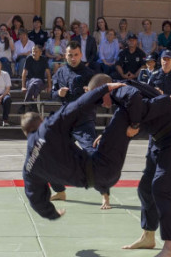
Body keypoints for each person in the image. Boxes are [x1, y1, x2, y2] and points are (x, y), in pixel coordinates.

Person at [20, 80, 141, 220]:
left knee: (126, 122)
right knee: (127, 109)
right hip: (105, 165)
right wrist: (105, 88)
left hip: (97, 180)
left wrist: (52, 214)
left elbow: (35, 198)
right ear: (41, 121)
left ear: (25, 133)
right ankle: (155, 100)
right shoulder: (48, 128)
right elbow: (78, 106)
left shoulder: (28, 167)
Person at [113, 73, 171, 257]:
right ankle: (148, 236)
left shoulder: (122, 91)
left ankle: (170, 247)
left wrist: (133, 125)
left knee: (161, 189)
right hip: (158, 139)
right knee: (145, 188)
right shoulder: (127, 90)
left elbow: (137, 110)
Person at [49, 42, 97, 201]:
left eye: (76, 55)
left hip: (84, 121)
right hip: (66, 120)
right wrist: (59, 94)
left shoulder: (90, 74)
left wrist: (91, 93)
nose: (73, 58)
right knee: (49, 153)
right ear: (65, 55)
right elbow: (52, 94)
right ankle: (59, 191)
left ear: (81, 55)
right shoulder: (60, 72)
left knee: (93, 155)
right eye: (70, 55)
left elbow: (100, 97)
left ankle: (105, 194)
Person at [20, 45, 51, 112]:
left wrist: (49, 86)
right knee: (33, 84)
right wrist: (23, 86)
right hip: (30, 81)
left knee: (36, 81)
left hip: (40, 82)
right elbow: (24, 73)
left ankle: (25, 103)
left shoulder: (43, 59)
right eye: (33, 51)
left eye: (36, 52)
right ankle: (34, 98)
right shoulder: (29, 58)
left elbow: (48, 74)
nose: (34, 53)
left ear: (40, 53)